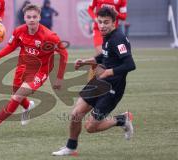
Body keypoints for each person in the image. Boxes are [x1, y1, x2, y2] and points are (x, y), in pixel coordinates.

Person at [52, 7, 136, 156]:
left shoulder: (118, 39)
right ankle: (71, 147)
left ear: (114, 23)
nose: (102, 25)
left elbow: (130, 64)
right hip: (99, 81)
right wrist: (85, 62)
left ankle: (122, 120)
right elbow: (103, 57)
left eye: (106, 22)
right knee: (76, 114)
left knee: (90, 127)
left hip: (113, 88)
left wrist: (108, 72)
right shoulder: (107, 36)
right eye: (100, 22)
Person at [0, 4, 68, 136]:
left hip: (40, 71)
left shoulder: (50, 36)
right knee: (16, 94)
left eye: (34, 17)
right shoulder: (19, 31)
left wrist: (59, 78)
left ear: (39, 18)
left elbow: (64, 54)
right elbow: (9, 48)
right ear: (24, 18)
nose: (31, 19)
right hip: (23, 67)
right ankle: (28, 106)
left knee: (17, 96)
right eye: (29, 17)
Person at [87, 0, 127, 80]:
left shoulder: (122, 1)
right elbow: (90, 9)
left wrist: (116, 13)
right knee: (101, 54)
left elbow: (124, 16)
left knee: (109, 57)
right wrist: (95, 18)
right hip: (98, 29)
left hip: (111, 31)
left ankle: (98, 79)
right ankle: (92, 80)